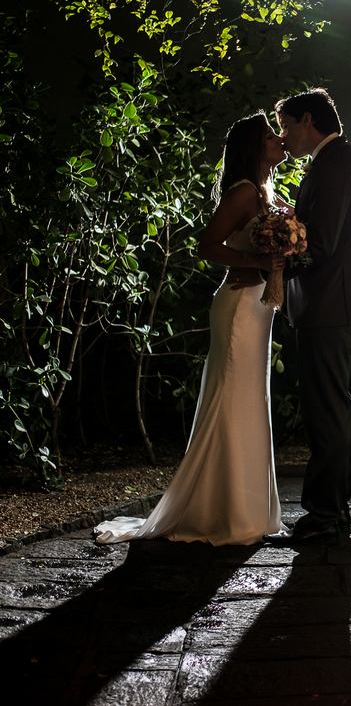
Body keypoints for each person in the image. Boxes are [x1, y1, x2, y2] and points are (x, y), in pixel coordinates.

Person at [94, 113, 288, 545]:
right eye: (271, 135)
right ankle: (224, 512)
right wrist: (256, 262)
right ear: (254, 147)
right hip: (239, 307)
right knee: (233, 400)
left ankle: (249, 508)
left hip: (259, 309)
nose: (279, 139)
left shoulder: (265, 193)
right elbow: (207, 245)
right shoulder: (243, 193)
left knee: (252, 402)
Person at [271, 88, 351, 545]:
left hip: (330, 304)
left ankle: (324, 514)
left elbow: (322, 243)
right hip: (333, 303)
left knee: (327, 411)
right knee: (335, 408)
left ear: (308, 120)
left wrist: (275, 261)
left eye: (287, 126)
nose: (284, 136)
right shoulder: (338, 162)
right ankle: (333, 507)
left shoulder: (334, 165)